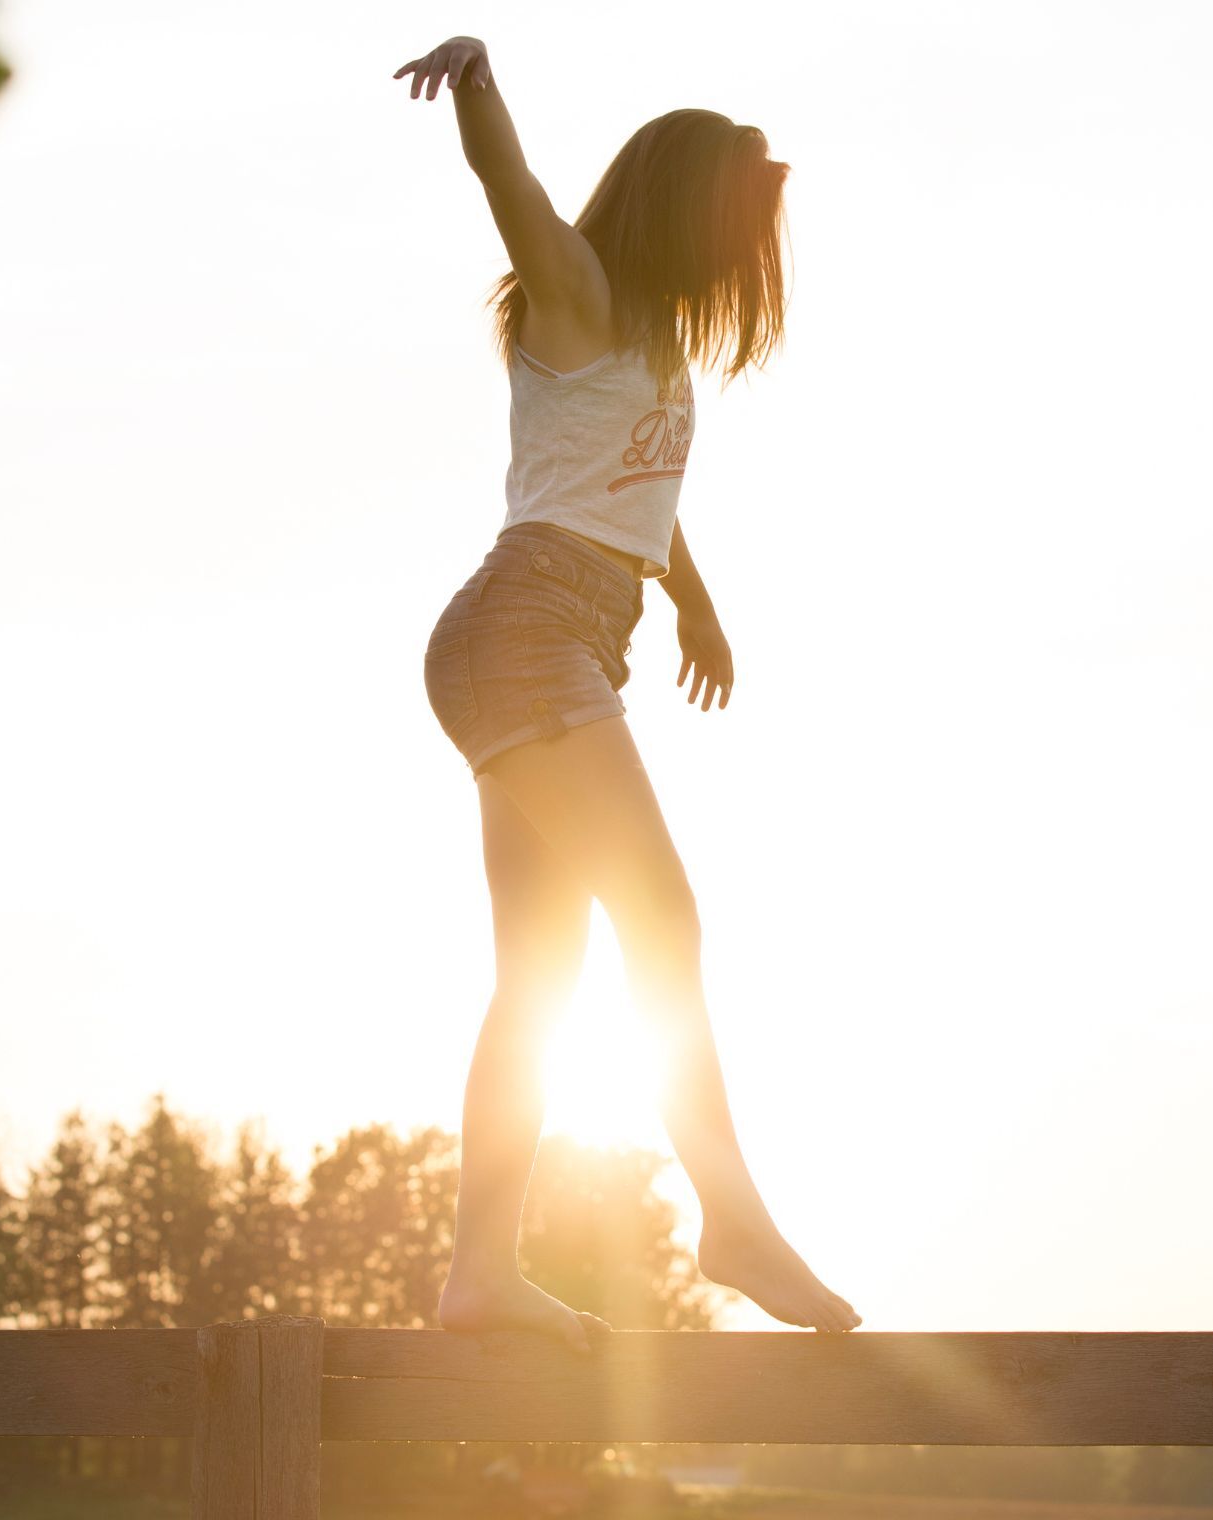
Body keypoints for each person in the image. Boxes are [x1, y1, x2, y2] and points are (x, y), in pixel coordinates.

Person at [395, 35, 861, 1355]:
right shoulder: (579, 290)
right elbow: (512, 190)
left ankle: (477, 1274)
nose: (734, 272)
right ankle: (733, 1217)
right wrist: (478, 86)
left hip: (559, 639)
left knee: (538, 974)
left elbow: (635, 494)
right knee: (663, 914)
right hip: (523, 627)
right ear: (674, 208)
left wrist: (691, 599)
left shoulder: (648, 340)